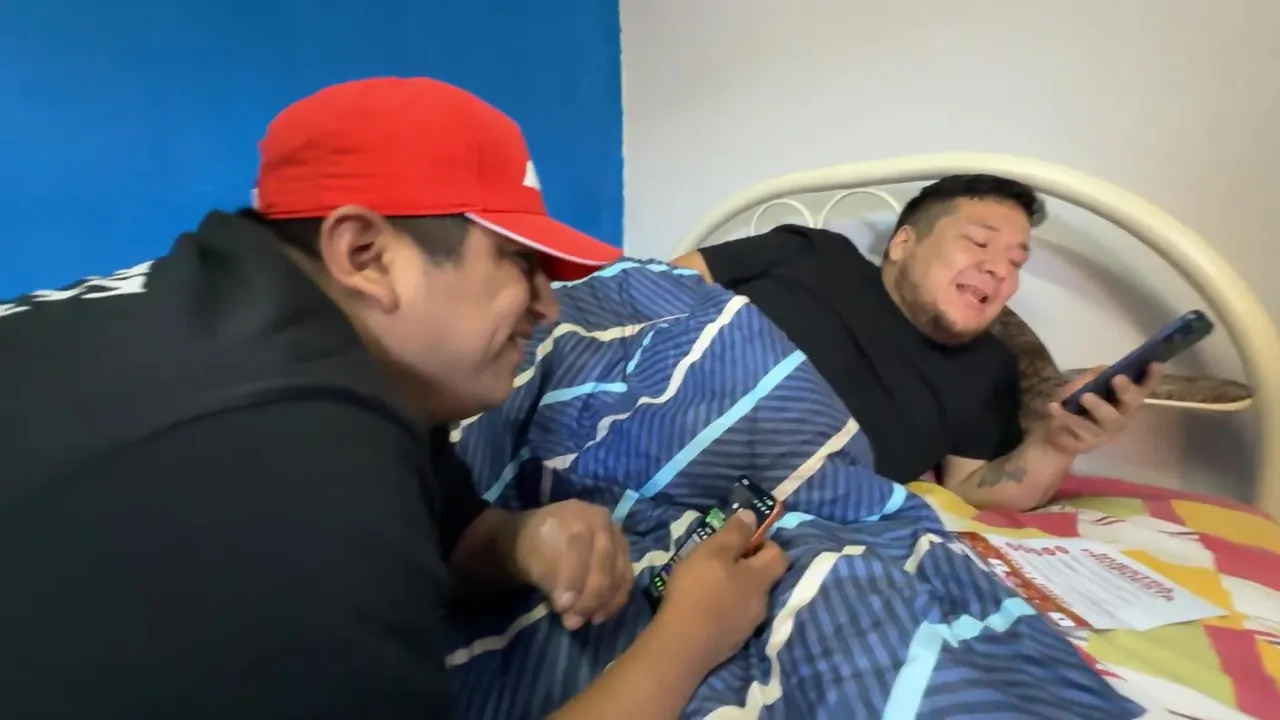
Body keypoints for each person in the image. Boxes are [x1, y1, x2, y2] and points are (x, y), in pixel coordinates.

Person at [0, 77, 788, 719]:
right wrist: (690, 634)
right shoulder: (304, 493)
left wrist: (525, 539)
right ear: (365, 255)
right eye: (518, 263)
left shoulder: (245, 302)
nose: (549, 308)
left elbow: (449, 525)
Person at [672, 175, 1163, 512]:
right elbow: (660, 288)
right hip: (661, 422)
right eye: (979, 242)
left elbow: (971, 490)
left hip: (766, 517)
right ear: (903, 243)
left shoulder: (988, 370)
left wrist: (1057, 444)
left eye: (1016, 262)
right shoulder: (810, 254)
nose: (999, 268)